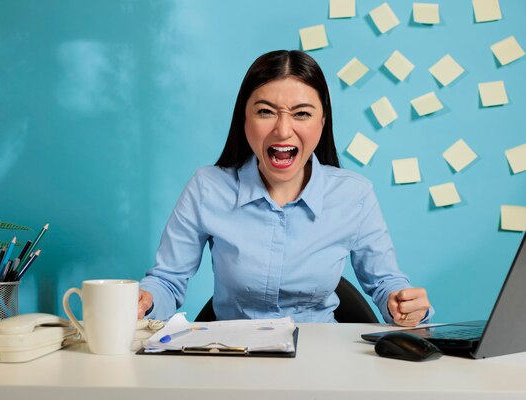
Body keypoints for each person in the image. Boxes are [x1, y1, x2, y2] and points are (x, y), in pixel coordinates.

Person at [138, 50, 432, 326]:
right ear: (244, 119)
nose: (282, 130)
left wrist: (403, 304)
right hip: (232, 358)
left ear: (323, 121)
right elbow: (167, 280)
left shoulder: (354, 194)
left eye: (301, 113)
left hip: (321, 359)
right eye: (265, 112)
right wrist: (145, 301)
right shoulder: (207, 187)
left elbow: (386, 283)